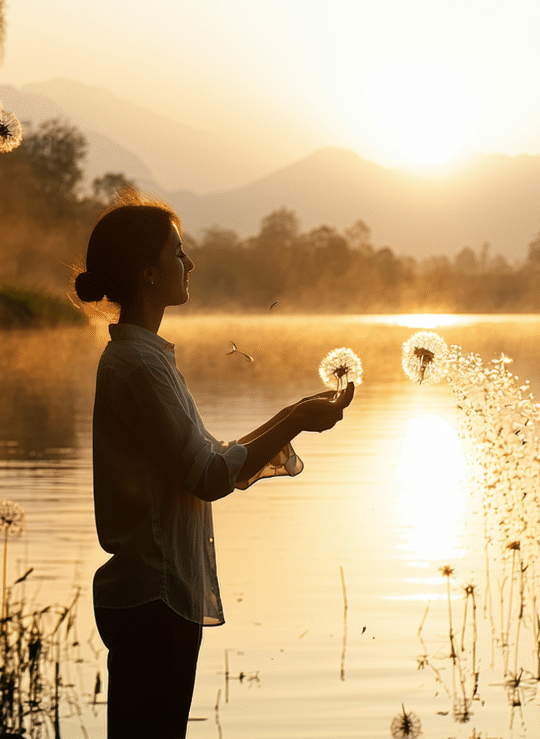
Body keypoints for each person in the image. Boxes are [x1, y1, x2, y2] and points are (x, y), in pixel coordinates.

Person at [72, 191, 354, 738]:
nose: (190, 263)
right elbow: (208, 477)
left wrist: (292, 414)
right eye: (178, 252)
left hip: (158, 598)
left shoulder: (145, 358)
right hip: (154, 602)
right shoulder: (140, 366)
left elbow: (207, 462)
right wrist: (296, 419)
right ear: (148, 273)